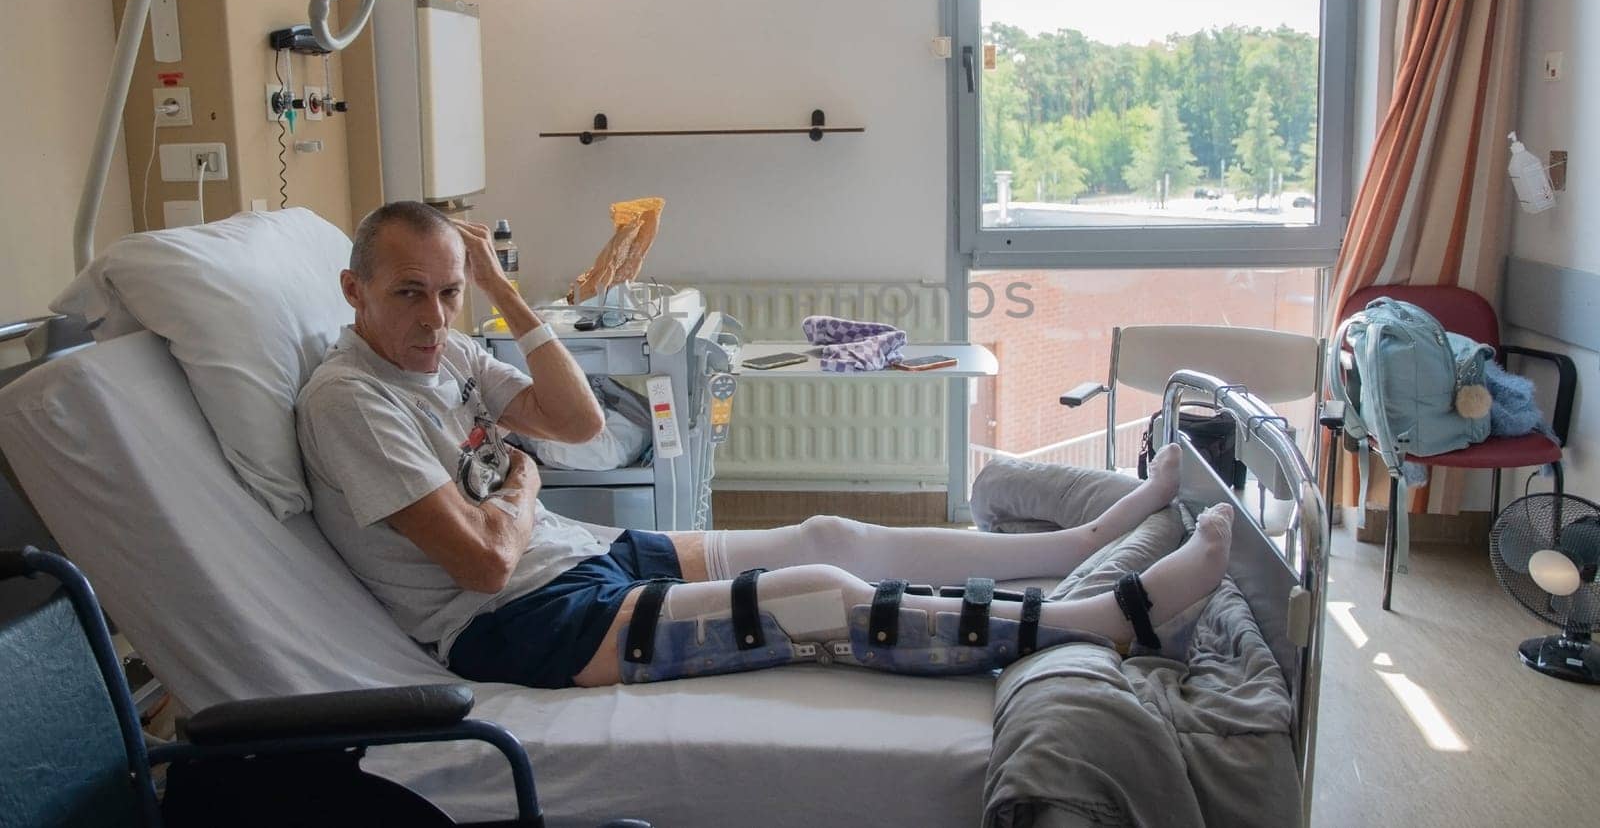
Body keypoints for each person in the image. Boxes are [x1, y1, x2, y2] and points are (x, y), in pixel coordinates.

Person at [297, 201, 1234, 690]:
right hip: (523, 626)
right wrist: (524, 487)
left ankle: (1073, 545)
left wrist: (502, 296)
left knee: (830, 533)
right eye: (409, 293)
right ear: (354, 290)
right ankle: (1105, 619)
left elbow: (578, 424)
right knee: (819, 598)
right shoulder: (351, 402)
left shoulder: (454, 347)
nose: (433, 316)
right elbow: (487, 565)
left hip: (587, 563)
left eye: (448, 291)